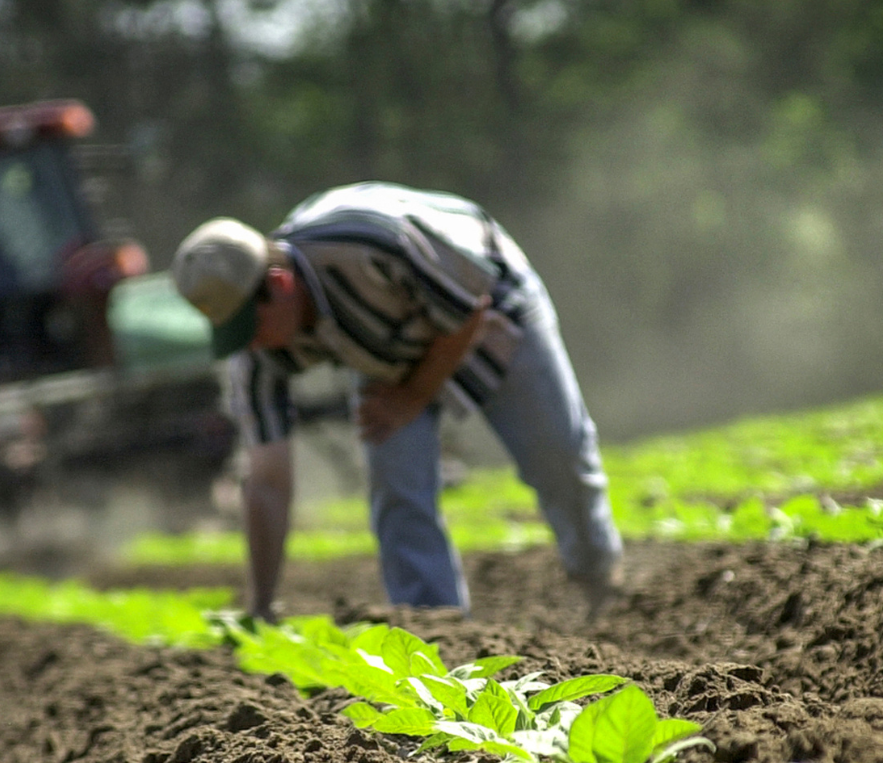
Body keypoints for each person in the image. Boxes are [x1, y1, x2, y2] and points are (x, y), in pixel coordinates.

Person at [172, 182, 622, 618]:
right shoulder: (254, 356)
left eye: (252, 325)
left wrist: (411, 397)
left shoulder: (371, 243)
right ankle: (434, 625)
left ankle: (600, 579)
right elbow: (268, 479)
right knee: (397, 486)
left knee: (557, 452)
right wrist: (262, 605)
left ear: (280, 284)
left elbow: (469, 310)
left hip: (489, 300)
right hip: (382, 349)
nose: (251, 345)